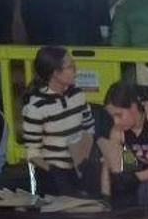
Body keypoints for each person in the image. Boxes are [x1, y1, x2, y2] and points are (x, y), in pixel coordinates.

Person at [20, 46, 96, 196]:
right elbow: (32, 152)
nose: (75, 69)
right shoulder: (36, 107)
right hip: (52, 174)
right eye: (70, 66)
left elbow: (89, 128)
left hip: (79, 167)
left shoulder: (77, 94)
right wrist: (54, 172)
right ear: (55, 73)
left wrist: (84, 159)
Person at [95, 81, 148, 207]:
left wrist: (135, 178)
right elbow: (107, 165)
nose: (116, 121)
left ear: (133, 107)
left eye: (119, 115)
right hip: (131, 178)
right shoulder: (118, 132)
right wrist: (105, 198)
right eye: (112, 116)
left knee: (145, 189)